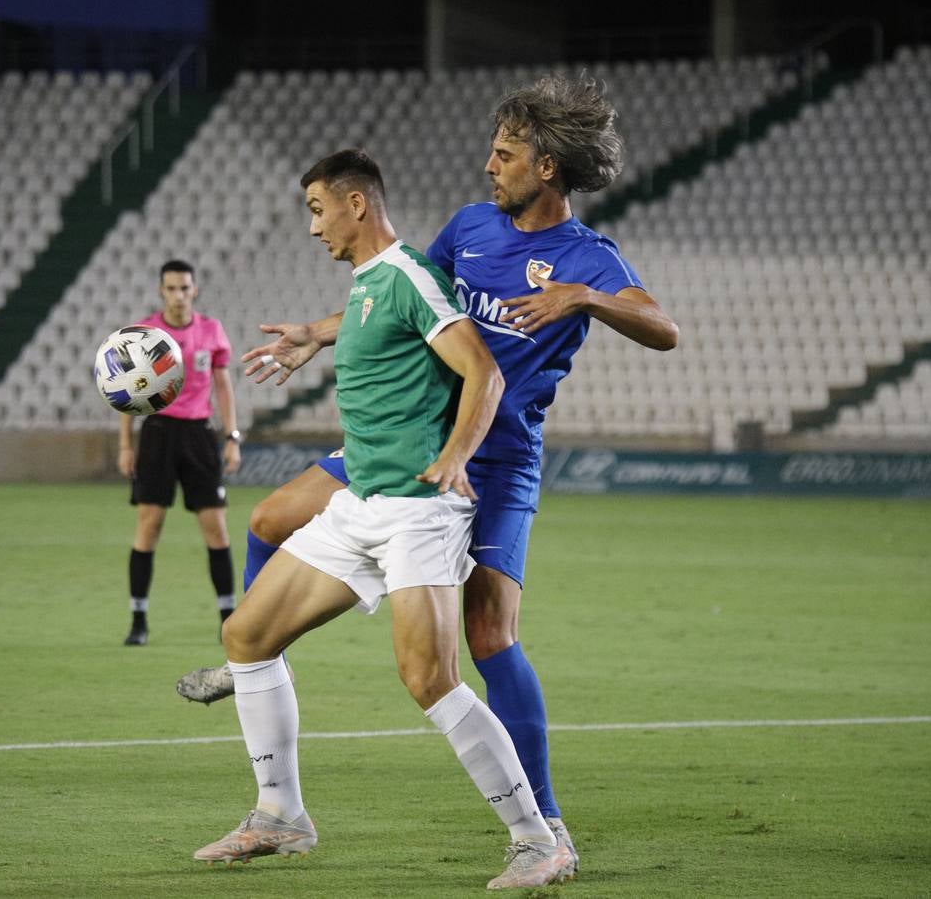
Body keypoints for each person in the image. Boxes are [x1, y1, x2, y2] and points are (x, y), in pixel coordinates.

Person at [180, 74, 680, 877]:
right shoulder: (472, 228)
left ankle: (542, 820)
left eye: (506, 154)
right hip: (411, 443)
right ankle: (253, 671)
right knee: (271, 520)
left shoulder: (586, 257)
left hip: (494, 459)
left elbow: (663, 327)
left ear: (547, 167)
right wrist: (316, 332)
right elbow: (410, 299)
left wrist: (586, 298)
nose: (490, 165)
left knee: (487, 638)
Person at [193, 149, 575, 890]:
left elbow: (484, 370)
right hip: (361, 506)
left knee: (429, 677)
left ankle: (538, 839)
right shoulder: (372, 284)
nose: (312, 228)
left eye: (316, 209)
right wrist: (313, 333)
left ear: (356, 205)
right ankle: (280, 815)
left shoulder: (407, 277)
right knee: (246, 635)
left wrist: (459, 454)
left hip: (415, 514)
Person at [118, 259, 241, 646]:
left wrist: (232, 435)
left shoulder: (211, 332)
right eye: (171, 288)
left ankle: (228, 620)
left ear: (195, 290)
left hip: (200, 435)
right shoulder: (146, 334)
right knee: (149, 526)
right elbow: (127, 393)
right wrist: (125, 444)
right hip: (157, 432)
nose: (178, 295)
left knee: (216, 529)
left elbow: (223, 387)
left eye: (184, 288)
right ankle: (138, 620)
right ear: (161, 291)